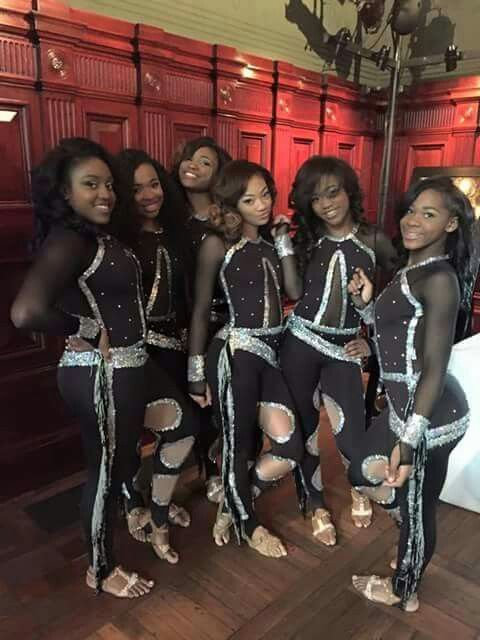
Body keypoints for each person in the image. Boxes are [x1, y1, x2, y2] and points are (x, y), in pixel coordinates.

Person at [10, 138, 155, 598]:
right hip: (98, 372)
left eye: (109, 184)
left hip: (125, 369)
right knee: (106, 468)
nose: (105, 194)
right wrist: (87, 328)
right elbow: (26, 312)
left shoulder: (99, 236)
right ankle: (101, 567)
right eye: (90, 185)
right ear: (66, 194)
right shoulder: (69, 239)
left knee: (127, 456)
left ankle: (132, 509)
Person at [347, 176, 475, 611]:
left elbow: (435, 367)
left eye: (429, 214)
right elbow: (398, 336)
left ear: (452, 224)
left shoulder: (439, 279)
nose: (412, 221)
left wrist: (409, 438)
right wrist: (367, 304)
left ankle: (405, 586)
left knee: (419, 504)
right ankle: (412, 546)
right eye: (410, 210)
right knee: (363, 473)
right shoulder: (413, 269)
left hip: (431, 415)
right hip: (407, 407)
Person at [188, 160, 304, 557]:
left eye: (266, 194)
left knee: (290, 445)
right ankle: (247, 524)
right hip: (235, 353)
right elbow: (201, 310)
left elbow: (294, 289)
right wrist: (196, 373)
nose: (262, 204)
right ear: (231, 203)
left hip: (269, 355)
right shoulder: (218, 244)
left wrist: (284, 237)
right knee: (238, 444)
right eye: (249, 198)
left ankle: (235, 496)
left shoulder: (271, 246)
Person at [280, 156, 397, 546]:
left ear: (350, 191)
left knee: (350, 436)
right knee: (307, 433)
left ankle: (358, 486)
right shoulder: (309, 240)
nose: (327, 203)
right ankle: (314, 502)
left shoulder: (374, 239)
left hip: (343, 346)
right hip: (299, 341)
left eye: (333, 192)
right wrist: (282, 244)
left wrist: (371, 334)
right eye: (316, 198)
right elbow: (295, 294)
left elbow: (400, 302)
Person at [113, 149, 199, 547]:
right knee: (133, 430)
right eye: (136, 189)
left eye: (154, 183)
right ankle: (134, 503)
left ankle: (159, 498)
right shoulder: (121, 240)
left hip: (177, 346)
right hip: (137, 348)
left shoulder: (177, 232)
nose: (149, 194)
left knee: (177, 431)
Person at [172, 137, 232, 502]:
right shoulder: (171, 222)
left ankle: (227, 467)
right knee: (197, 403)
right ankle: (207, 469)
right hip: (183, 327)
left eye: (205, 161)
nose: (192, 164)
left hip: (224, 324)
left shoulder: (228, 221)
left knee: (226, 403)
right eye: (188, 157)